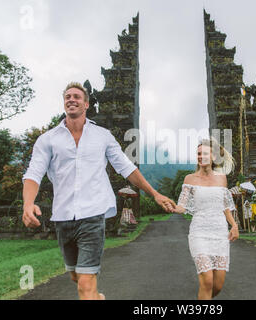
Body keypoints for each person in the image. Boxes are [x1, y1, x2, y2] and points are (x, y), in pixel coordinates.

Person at [22, 82, 176, 300]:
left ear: (86, 104)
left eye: (76, 96)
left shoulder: (102, 136)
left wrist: (155, 194)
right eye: (67, 96)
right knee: (77, 277)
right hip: (63, 217)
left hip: (93, 215)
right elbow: (33, 174)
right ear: (64, 103)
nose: (71, 99)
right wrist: (28, 203)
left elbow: (126, 167)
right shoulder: (48, 139)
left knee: (85, 283)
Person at [170, 138, 239, 300]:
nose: (201, 157)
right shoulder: (190, 179)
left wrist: (234, 226)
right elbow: (182, 206)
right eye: (198, 154)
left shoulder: (222, 179)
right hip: (199, 233)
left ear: (213, 157)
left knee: (217, 285)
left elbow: (225, 206)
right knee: (207, 281)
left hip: (220, 234)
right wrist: (171, 206)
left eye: (205, 153)